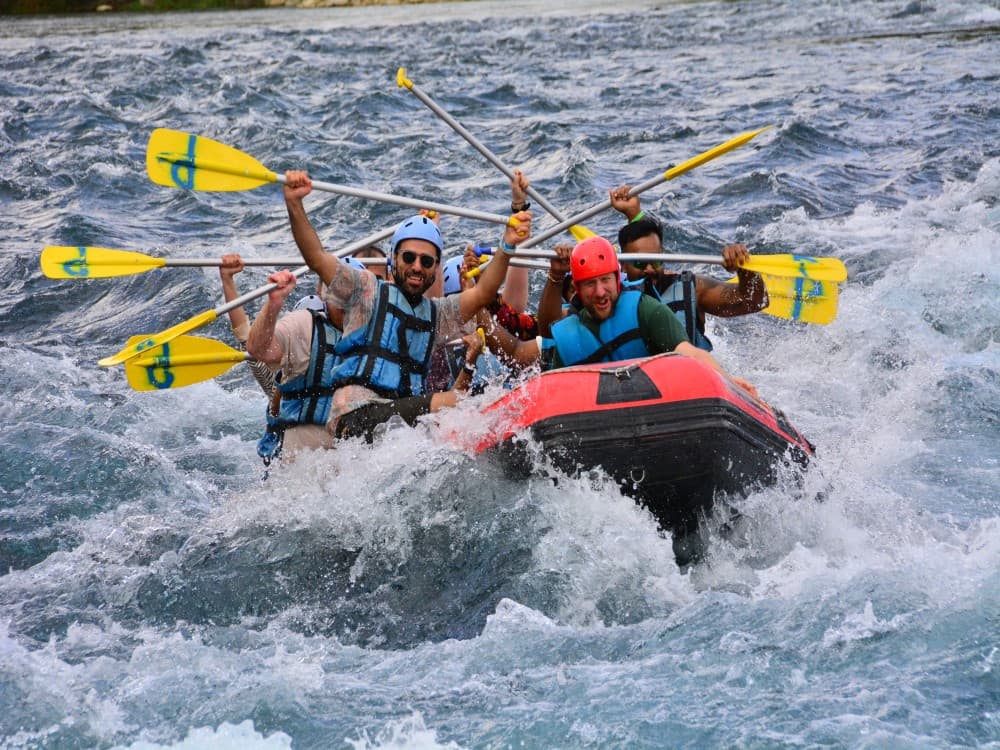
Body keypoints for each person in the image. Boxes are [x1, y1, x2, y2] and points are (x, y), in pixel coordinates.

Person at [271, 169, 532, 443]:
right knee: (458, 402)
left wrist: (507, 245)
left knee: (469, 401)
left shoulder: (437, 314)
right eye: (409, 257)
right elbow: (316, 257)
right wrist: (294, 203)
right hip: (356, 418)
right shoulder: (364, 290)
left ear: (435, 268)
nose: (417, 267)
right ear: (394, 258)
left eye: (427, 261)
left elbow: (484, 293)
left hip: (396, 426)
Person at [541, 237, 757, 396]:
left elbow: (688, 352)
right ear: (577, 289)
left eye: (605, 280)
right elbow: (554, 391)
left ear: (617, 278)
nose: (599, 292)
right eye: (590, 284)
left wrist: (729, 384)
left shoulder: (645, 310)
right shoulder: (568, 335)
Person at [610, 186, 768, 351]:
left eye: (656, 261)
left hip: (689, 372)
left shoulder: (691, 289)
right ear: (623, 265)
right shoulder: (612, 296)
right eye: (640, 263)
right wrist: (634, 214)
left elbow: (754, 302)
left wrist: (743, 269)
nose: (650, 269)